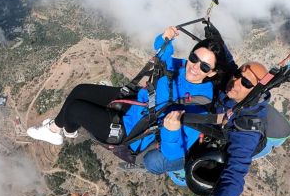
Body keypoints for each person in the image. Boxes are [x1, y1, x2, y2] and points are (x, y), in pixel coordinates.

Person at [27, 27, 222, 165]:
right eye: (194, 58)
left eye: (204, 66)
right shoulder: (180, 68)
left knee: (75, 109)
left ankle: (56, 130)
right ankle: (65, 130)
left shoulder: (199, 107)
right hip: (134, 103)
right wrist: (165, 37)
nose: (195, 67)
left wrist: (171, 131)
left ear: (211, 73)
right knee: (80, 90)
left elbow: (174, 154)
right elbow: (162, 53)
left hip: (130, 131)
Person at [187, 61, 271, 196]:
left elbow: (234, 180)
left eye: (246, 83)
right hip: (211, 123)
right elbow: (226, 59)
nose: (236, 81)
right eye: (238, 74)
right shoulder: (234, 84)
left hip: (212, 147)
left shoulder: (247, 129)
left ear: (255, 92)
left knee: (155, 161)